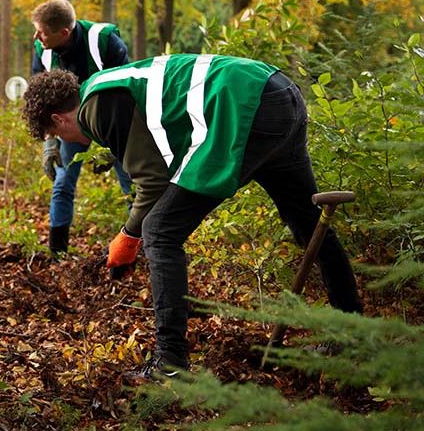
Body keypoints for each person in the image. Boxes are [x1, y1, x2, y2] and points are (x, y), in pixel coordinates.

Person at [21, 54, 363, 383]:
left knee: (159, 231)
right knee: (306, 220)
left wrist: (128, 237)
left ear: (57, 119)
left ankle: (170, 361)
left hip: (243, 106)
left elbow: (152, 181)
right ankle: (352, 332)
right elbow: (166, 162)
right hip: (278, 92)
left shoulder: (97, 105)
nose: (65, 142)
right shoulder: (106, 86)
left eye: (56, 137)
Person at [30, 0, 133, 253]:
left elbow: (125, 94)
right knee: (63, 182)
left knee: (131, 183)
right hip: (69, 127)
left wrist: (111, 145)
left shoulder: (105, 42)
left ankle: (139, 247)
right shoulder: (42, 50)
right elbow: (39, 98)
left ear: (63, 32)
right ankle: (58, 253)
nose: (36, 36)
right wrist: (49, 141)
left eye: (42, 31)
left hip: (112, 123)